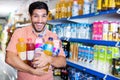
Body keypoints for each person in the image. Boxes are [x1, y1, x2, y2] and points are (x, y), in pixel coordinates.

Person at [5, 1, 66, 80]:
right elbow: (9, 58)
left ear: (47, 16)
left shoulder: (53, 36)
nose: (40, 20)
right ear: (30, 16)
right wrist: (32, 71)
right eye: (36, 16)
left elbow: (63, 62)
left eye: (43, 16)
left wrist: (49, 59)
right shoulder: (19, 33)